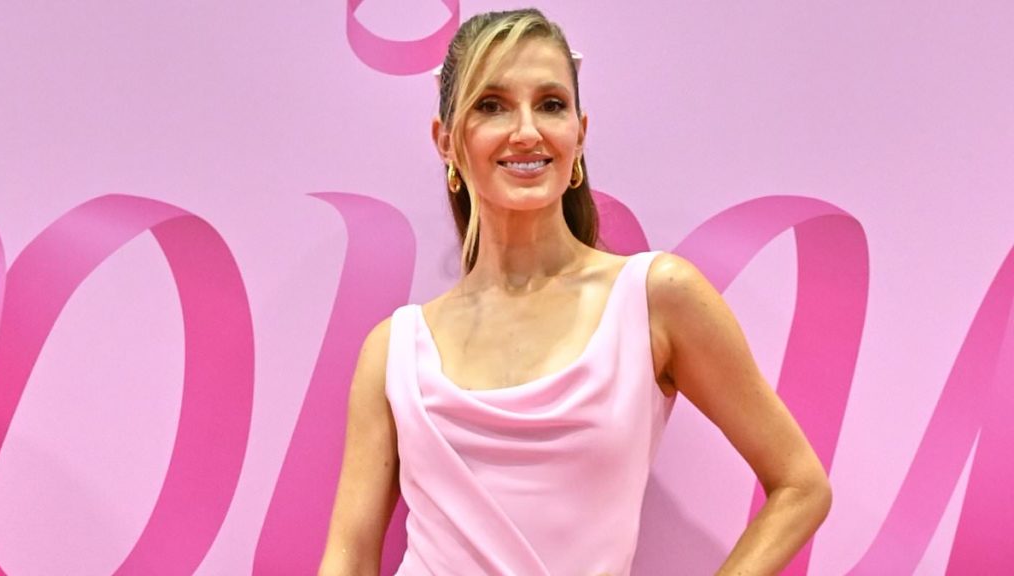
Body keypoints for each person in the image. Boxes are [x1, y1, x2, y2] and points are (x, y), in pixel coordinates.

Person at [319, 8, 830, 576]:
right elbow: (351, 556)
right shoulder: (393, 350)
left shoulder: (655, 298)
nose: (527, 129)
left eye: (551, 103)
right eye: (491, 105)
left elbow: (801, 485)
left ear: (580, 134)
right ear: (446, 141)